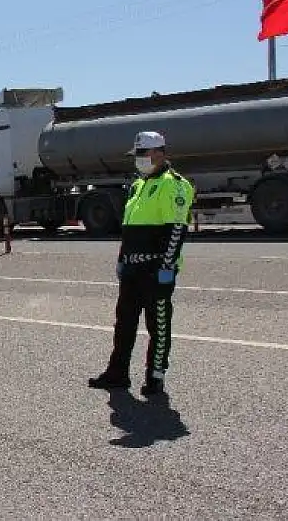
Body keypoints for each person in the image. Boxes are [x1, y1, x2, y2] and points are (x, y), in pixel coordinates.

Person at [89, 131, 195, 396]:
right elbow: (128, 229)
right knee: (124, 322)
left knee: (158, 324)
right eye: (136, 155)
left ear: (159, 153)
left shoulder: (175, 185)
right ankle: (117, 373)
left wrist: (167, 267)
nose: (138, 160)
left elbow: (176, 231)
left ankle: (155, 376)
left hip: (155, 269)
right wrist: (122, 259)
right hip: (133, 269)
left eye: (142, 154)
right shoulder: (138, 185)